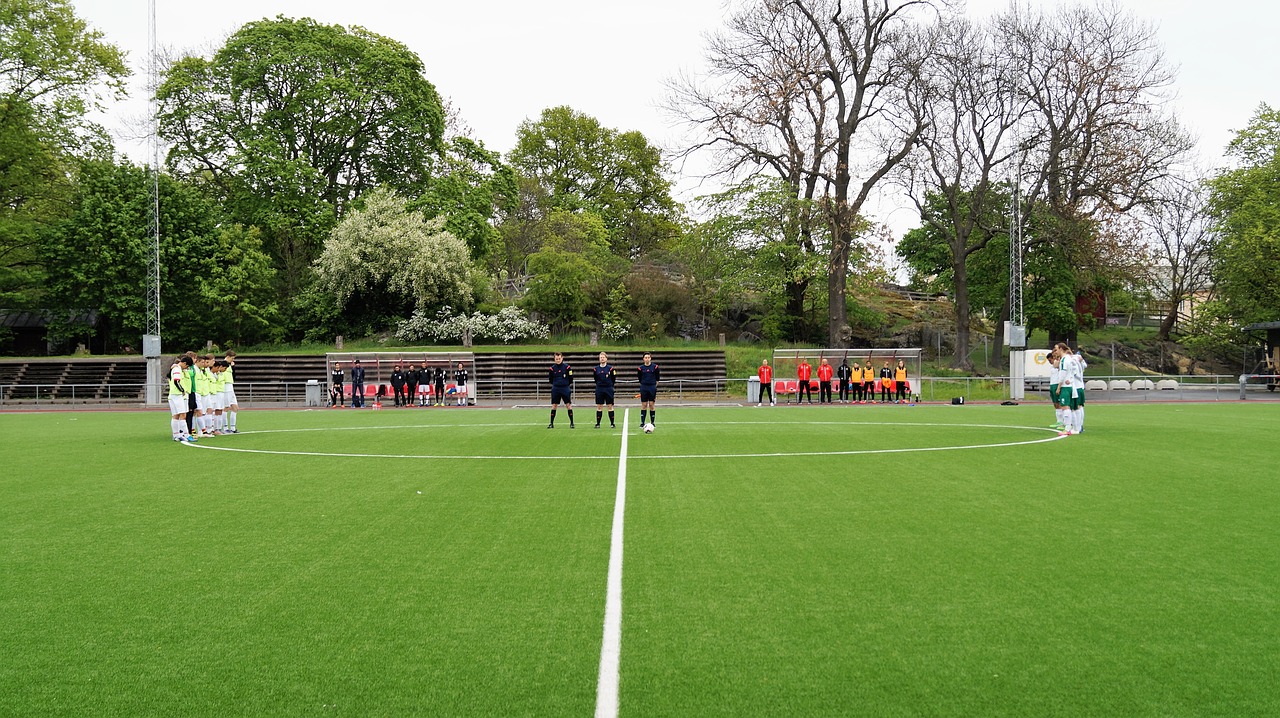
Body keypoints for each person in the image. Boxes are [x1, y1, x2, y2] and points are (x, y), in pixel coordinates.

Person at [168, 355, 195, 443]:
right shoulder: (177, 369)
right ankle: (186, 435)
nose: (187, 368)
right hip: (178, 395)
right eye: (186, 366)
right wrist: (182, 390)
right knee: (182, 415)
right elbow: (176, 381)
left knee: (176, 415)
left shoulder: (180, 369)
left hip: (176, 395)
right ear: (184, 363)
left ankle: (176, 435)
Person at [547, 351, 575, 428]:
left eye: (559, 358)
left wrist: (565, 384)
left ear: (562, 358)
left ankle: (572, 423)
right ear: (554, 359)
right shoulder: (552, 369)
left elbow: (571, 379)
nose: (558, 360)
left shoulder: (567, 367)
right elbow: (550, 379)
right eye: (556, 359)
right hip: (556, 388)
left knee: (568, 405)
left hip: (565, 388)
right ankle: (551, 423)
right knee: (554, 405)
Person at [592, 351, 617, 428]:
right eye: (600, 357)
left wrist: (610, 385)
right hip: (599, 388)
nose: (602, 359)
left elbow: (614, 378)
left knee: (610, 406)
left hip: (608, 388)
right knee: (599, 406)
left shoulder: (611, 369)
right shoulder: (596, 369)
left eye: (603, 357)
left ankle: (612, 423)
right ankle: (598, 423)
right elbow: (595, 379)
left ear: (606, 358)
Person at [637, 351, 660, 428]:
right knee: (644, 405)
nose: (647, 359)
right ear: (643, 359)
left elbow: (657, 378)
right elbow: (639, 379)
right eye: (645, 357)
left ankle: (652, 422)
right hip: (644, 387)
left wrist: (653, 385)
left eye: (648, 357)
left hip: (652, 387)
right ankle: (642, 422)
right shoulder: (640, 368)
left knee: (651, 405)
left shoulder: (655, 367)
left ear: (650, 358)